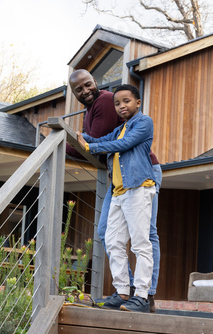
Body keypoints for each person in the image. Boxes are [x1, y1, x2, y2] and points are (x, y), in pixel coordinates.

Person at [66, 69, 162, 312]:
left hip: (139, 182)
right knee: (111, 237)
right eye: (117, 103)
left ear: (138, 103)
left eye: (125, 102)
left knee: (143, 239)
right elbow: (97, 139)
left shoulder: (142, 121)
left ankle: (143, 295)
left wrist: (89, 144)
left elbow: (116, 144)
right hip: (119, 187)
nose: (120, 106)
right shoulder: (117, 125)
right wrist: (74, 138)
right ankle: (123, 291)